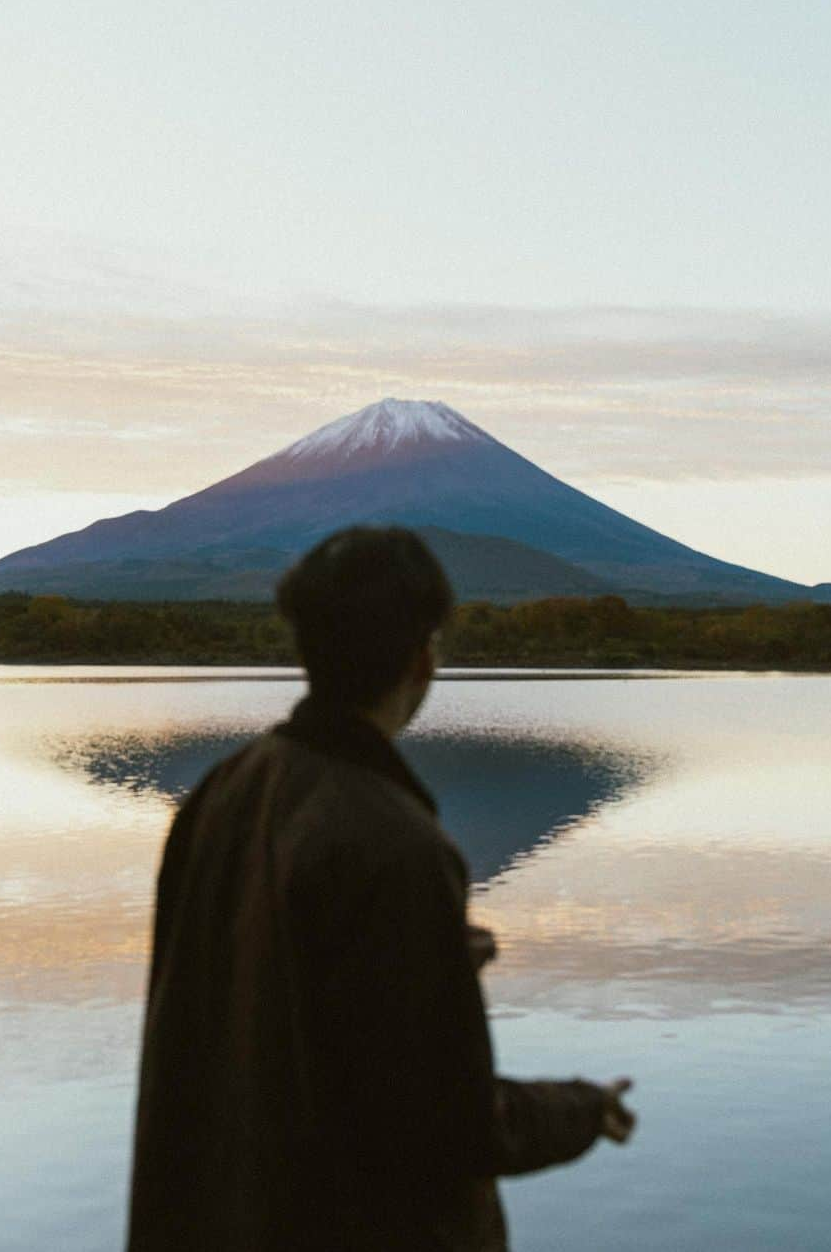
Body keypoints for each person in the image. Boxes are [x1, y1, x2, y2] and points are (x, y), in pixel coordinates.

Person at [126, 526, 635, 1252]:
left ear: (306, 648)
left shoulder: (222, 794)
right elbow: (446, 1123)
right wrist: (582, 1111)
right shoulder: (395, 844)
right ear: (423, 656)